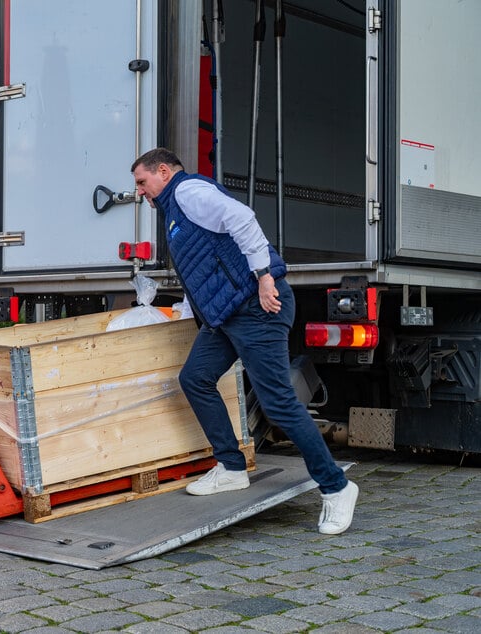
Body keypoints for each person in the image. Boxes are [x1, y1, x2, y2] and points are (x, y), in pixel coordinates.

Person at [131, 148, 358, 535]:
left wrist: (265, 275)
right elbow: (202, 268)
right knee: (196, 378)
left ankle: (337, 487)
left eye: (142, 182)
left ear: (163, 172)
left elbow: (243, 218)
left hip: (256, 306)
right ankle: (232, 467)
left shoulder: (188, 193)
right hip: (226, 316)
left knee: (278, 404)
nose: (139, 192)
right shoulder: (173, 210)